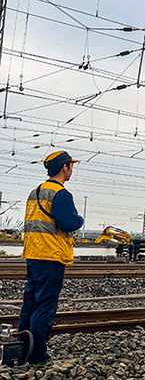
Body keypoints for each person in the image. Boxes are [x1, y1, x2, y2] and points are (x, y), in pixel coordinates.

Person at [19, 150, 84, 364]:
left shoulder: (35, 192)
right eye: (71, 166)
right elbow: (68, 222)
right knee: (45, 306)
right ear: (65, 167)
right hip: (51, 254)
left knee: (30, 302)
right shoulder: (60, 193)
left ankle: (22, 349)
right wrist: (80, 220)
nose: (72, 169)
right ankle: (37, 354)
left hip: (33, 254)